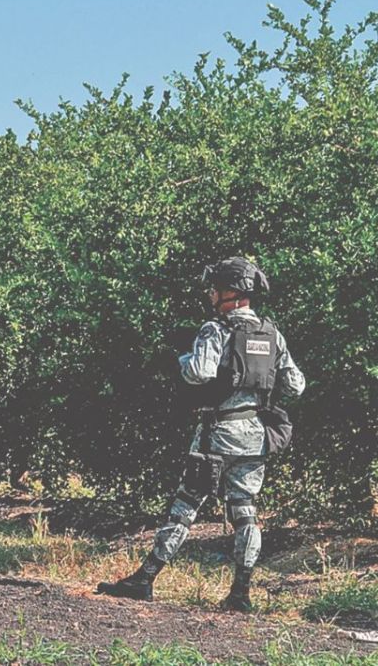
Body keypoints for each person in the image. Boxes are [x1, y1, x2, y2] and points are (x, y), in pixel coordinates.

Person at [96, 257, 305, 612]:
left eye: (217, 288)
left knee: (185, 506)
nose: (211, 294)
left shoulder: (215, 329)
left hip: (217, 433)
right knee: (245, 511)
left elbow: (199, 373)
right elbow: (296, 386)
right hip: (256, 436)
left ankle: (145, 579)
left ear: (233, 293)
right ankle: (240, 594)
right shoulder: (272, 334)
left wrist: (181, 359)